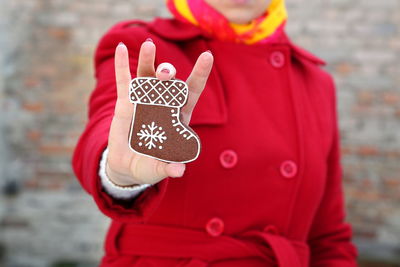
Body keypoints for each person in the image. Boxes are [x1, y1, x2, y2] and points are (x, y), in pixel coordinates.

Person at [72, 0, 358, 266]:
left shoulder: (315, 82)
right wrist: (118, 172)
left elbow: (328, 236)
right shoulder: (146, 49)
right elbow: (108, 118)